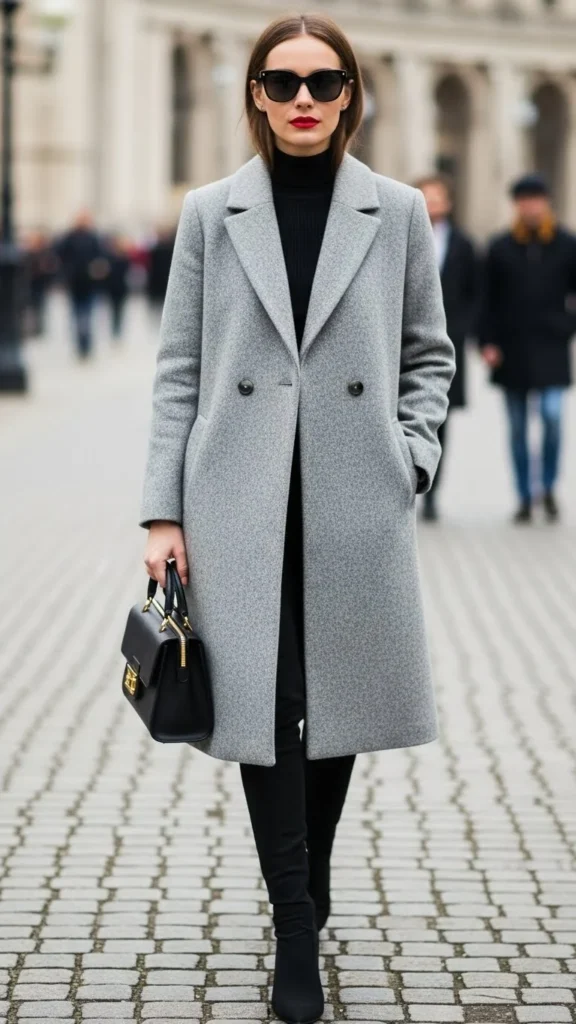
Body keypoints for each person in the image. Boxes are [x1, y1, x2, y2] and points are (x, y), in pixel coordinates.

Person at [139, 13, 454, 1024]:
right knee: (268, 713)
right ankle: (295, 925)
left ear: (351, 95)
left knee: (338, 708)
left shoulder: (396, 212)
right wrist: (161, 511)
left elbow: (429, 354)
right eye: (282, 81)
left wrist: (411, 457)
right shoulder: (210, 212)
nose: (303, 98)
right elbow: (178, 369)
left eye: (323, 81)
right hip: (239, 498)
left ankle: (306, 879)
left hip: (353, 496)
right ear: (257, 96)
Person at [479, 173, 576, 522]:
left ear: (546, 202)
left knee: (552, 417)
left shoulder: (566, 244)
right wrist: (487, 342)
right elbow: (486, 300)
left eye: (536, 199)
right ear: (516, 205)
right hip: (512, 348)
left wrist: (566, 325)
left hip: (551, 347)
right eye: (524, 200)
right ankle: (523, 495)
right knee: (518, 428)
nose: (530, 206)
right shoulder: (500, 246)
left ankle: (547, 487)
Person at [415, 175, 479, 521]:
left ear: (449, 203)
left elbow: (474, 292)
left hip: (447, 345)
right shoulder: (396, 235)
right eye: (426, 197)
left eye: (437, 198)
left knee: (438, 421)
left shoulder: (463, 245)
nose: (432, 204)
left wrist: (464, 330)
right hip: (403, 345)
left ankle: (432, 491)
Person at [55, 210, 108, 359]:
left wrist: (98, 269)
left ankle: (86, 345)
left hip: (90, 283)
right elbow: (59, 254)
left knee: (87, 315)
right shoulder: (69, 237)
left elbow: (101, 257)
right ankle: (80, 344)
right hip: (74, 283)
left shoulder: (93, 237)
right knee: (77, 315)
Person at [102, 234, 132, 340]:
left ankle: (118, 330)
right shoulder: (109, 257)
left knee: (119, 310)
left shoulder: (124, 257)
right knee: (113, 310)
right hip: (111, 287)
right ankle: (114, 330)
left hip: (121, 287)